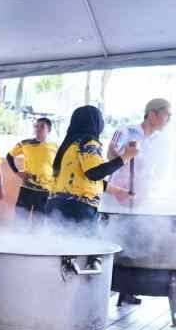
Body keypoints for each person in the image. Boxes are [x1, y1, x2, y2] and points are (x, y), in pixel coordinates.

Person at [103, 98, 171, 304]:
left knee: (133, 239)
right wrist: (124, 156)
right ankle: (106, 286)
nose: (169, 119)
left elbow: (158, 170)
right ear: (152, 114)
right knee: (114, 239)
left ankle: (127, 290)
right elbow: (110, 155)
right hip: (118, 196)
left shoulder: (157, 140)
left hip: (141, 197)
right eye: (167, 114)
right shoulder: (127, 131)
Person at [47, 105, 139, 231]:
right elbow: (95, 173)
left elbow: (84, 177)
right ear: (95, 122)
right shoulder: (88, 141)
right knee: (83, 249)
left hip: (57, 207)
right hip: (78, 210)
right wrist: (126, 157)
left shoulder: (69, 145)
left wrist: (117, 191)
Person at [7, 117, 56, 224]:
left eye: (42, 126)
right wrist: (17, 171)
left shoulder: (55, 146)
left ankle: (35, 240)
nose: (38, 129)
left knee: (39, 222)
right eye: (36, 126)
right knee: (20, 219)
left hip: (46, 190)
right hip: (27, 187)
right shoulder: (25, 143)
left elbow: (59, 166)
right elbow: (9, 156)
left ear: (49, 130)